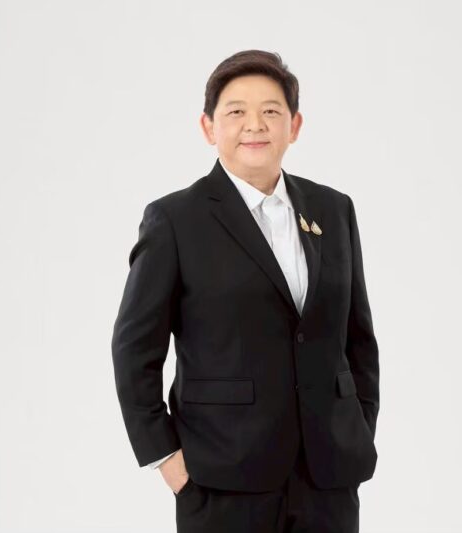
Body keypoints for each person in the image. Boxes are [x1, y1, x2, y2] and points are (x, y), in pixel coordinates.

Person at [111, 49, 380, 533]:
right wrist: (167, 460)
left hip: (328, 479)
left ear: (294, 126)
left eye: (271, 111)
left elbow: (358, 340)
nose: (254, 125)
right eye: (236, 111)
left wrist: (356, 428)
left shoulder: (333, 209)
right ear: (208, 127)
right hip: (221, 479)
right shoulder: (176, 220)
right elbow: (133, 349)